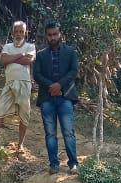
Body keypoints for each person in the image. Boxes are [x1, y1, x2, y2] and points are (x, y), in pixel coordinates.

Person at [32, 22, 79, 174]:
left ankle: (73, 163)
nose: (52, 37)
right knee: (50, 133)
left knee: (68, 132)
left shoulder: (70, 52)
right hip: (47, 98)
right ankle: (54, 164)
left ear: (60, 34)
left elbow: (73, 71)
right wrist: (51, 86)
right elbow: (36, 75)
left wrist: (60, 85)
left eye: (55, 34)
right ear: (46, 36)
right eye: (50, 35)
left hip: (65, 97)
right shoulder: (40, 55)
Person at [0, 21, 36, 152]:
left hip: (24, 84)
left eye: (21, 31)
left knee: (24, 115)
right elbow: (3, 60)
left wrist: (11, 58)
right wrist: (20, 55)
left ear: (26, 33)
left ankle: (20, 145)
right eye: (16, 31)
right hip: (9, 84)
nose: (19, 34)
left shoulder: (30, 46)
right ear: (13, 33)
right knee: (0, 111)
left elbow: (28, 60)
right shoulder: (7, 46)